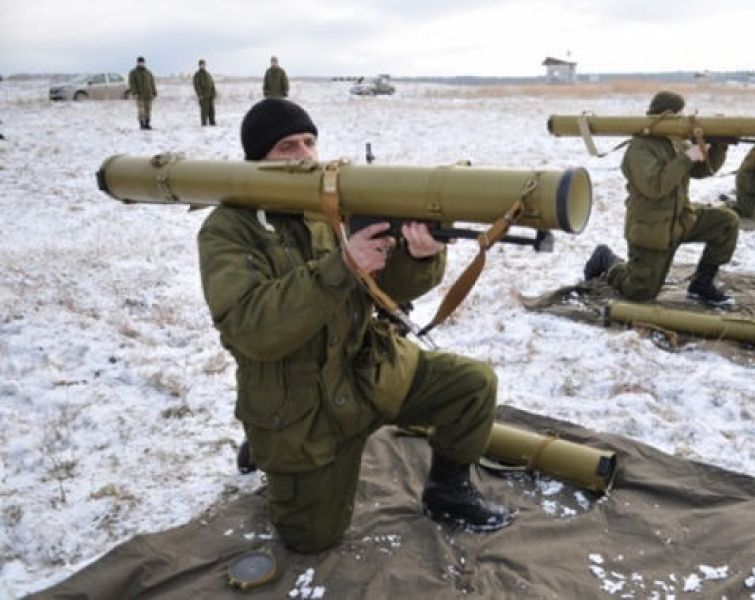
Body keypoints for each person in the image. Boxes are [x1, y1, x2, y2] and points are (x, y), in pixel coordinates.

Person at [197, 98, 513, 554]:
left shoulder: (333, 205)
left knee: (473, 385)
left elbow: (387, 290)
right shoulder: (230, 229)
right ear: (257, 159)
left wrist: (418, 256)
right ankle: (268, 444)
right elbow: (252, 329)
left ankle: (448, 490)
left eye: (310, 142)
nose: (305, 155)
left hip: (367, 371)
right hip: (301, 403)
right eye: (287, 147)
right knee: (311, 537)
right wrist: (341, 267)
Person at [583, 91, 739, 307]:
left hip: (681, 220)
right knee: (639, 292)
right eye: (678, 115)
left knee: (726, 222)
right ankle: (606, 259)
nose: (682, 120)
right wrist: (687, 156)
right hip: (652, 229)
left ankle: (701, 284)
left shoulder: (674, 142)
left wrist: (718, 145)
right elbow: (655, 187)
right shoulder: (640, 147)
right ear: (666, 115)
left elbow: (703, 170)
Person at [128, 56, 157, 130]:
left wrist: (154, 92)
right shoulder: (133, 73)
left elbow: (152, 83)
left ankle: (147, 123)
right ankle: (142, 124)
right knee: (141, 110)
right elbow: (132, 84)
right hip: (139, 95)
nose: (141, 64)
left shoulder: (148, 72)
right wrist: (134, 93)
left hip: (148, 95)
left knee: (148, 110)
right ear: (137, 63)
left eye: (142, 62)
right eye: (140, 62)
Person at [192, 59, 217, 126]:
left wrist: (214, 93)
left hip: (210, 96)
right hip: (203, 97)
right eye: (201, 64)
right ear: (199, 65)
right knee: (204, 112)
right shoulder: (197, 75)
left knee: (212, 111)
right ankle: (204, 125)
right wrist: (200, 94)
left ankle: (212, 124)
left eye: (203, 64)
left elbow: (212, 84)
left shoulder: (208, 74)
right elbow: (196, 85)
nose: (202, 66)